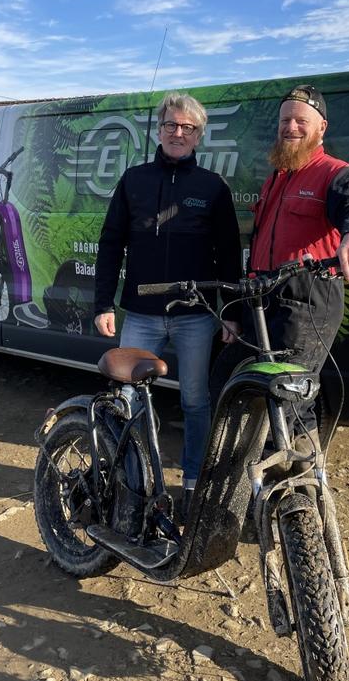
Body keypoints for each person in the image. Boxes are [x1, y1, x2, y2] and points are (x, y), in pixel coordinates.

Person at [94, 91, 242, 514]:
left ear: (199, 135)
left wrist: (231, 314)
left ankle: (193, 484)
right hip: (140, 315)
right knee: (128, 400)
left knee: (195, 402)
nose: (179, 133)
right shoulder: (133, 180)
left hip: (195, 316)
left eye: (188, 127)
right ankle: (135, 484)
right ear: (159, 131)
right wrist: (103, 304)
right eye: (171, 125)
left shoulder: (213, 187)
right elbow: (110, 244)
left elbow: (229, 256)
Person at [211, 83, 349, 442]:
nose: (291, 127)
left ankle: (290, 471)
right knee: (234, 377)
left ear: (321, 128)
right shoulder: (276, 178)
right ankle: (262, 464)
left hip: (306, 301)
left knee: (286, 397)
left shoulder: (336, 173)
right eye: (285, 120)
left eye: (301, 120)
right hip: (262, 298)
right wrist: (237, 311)